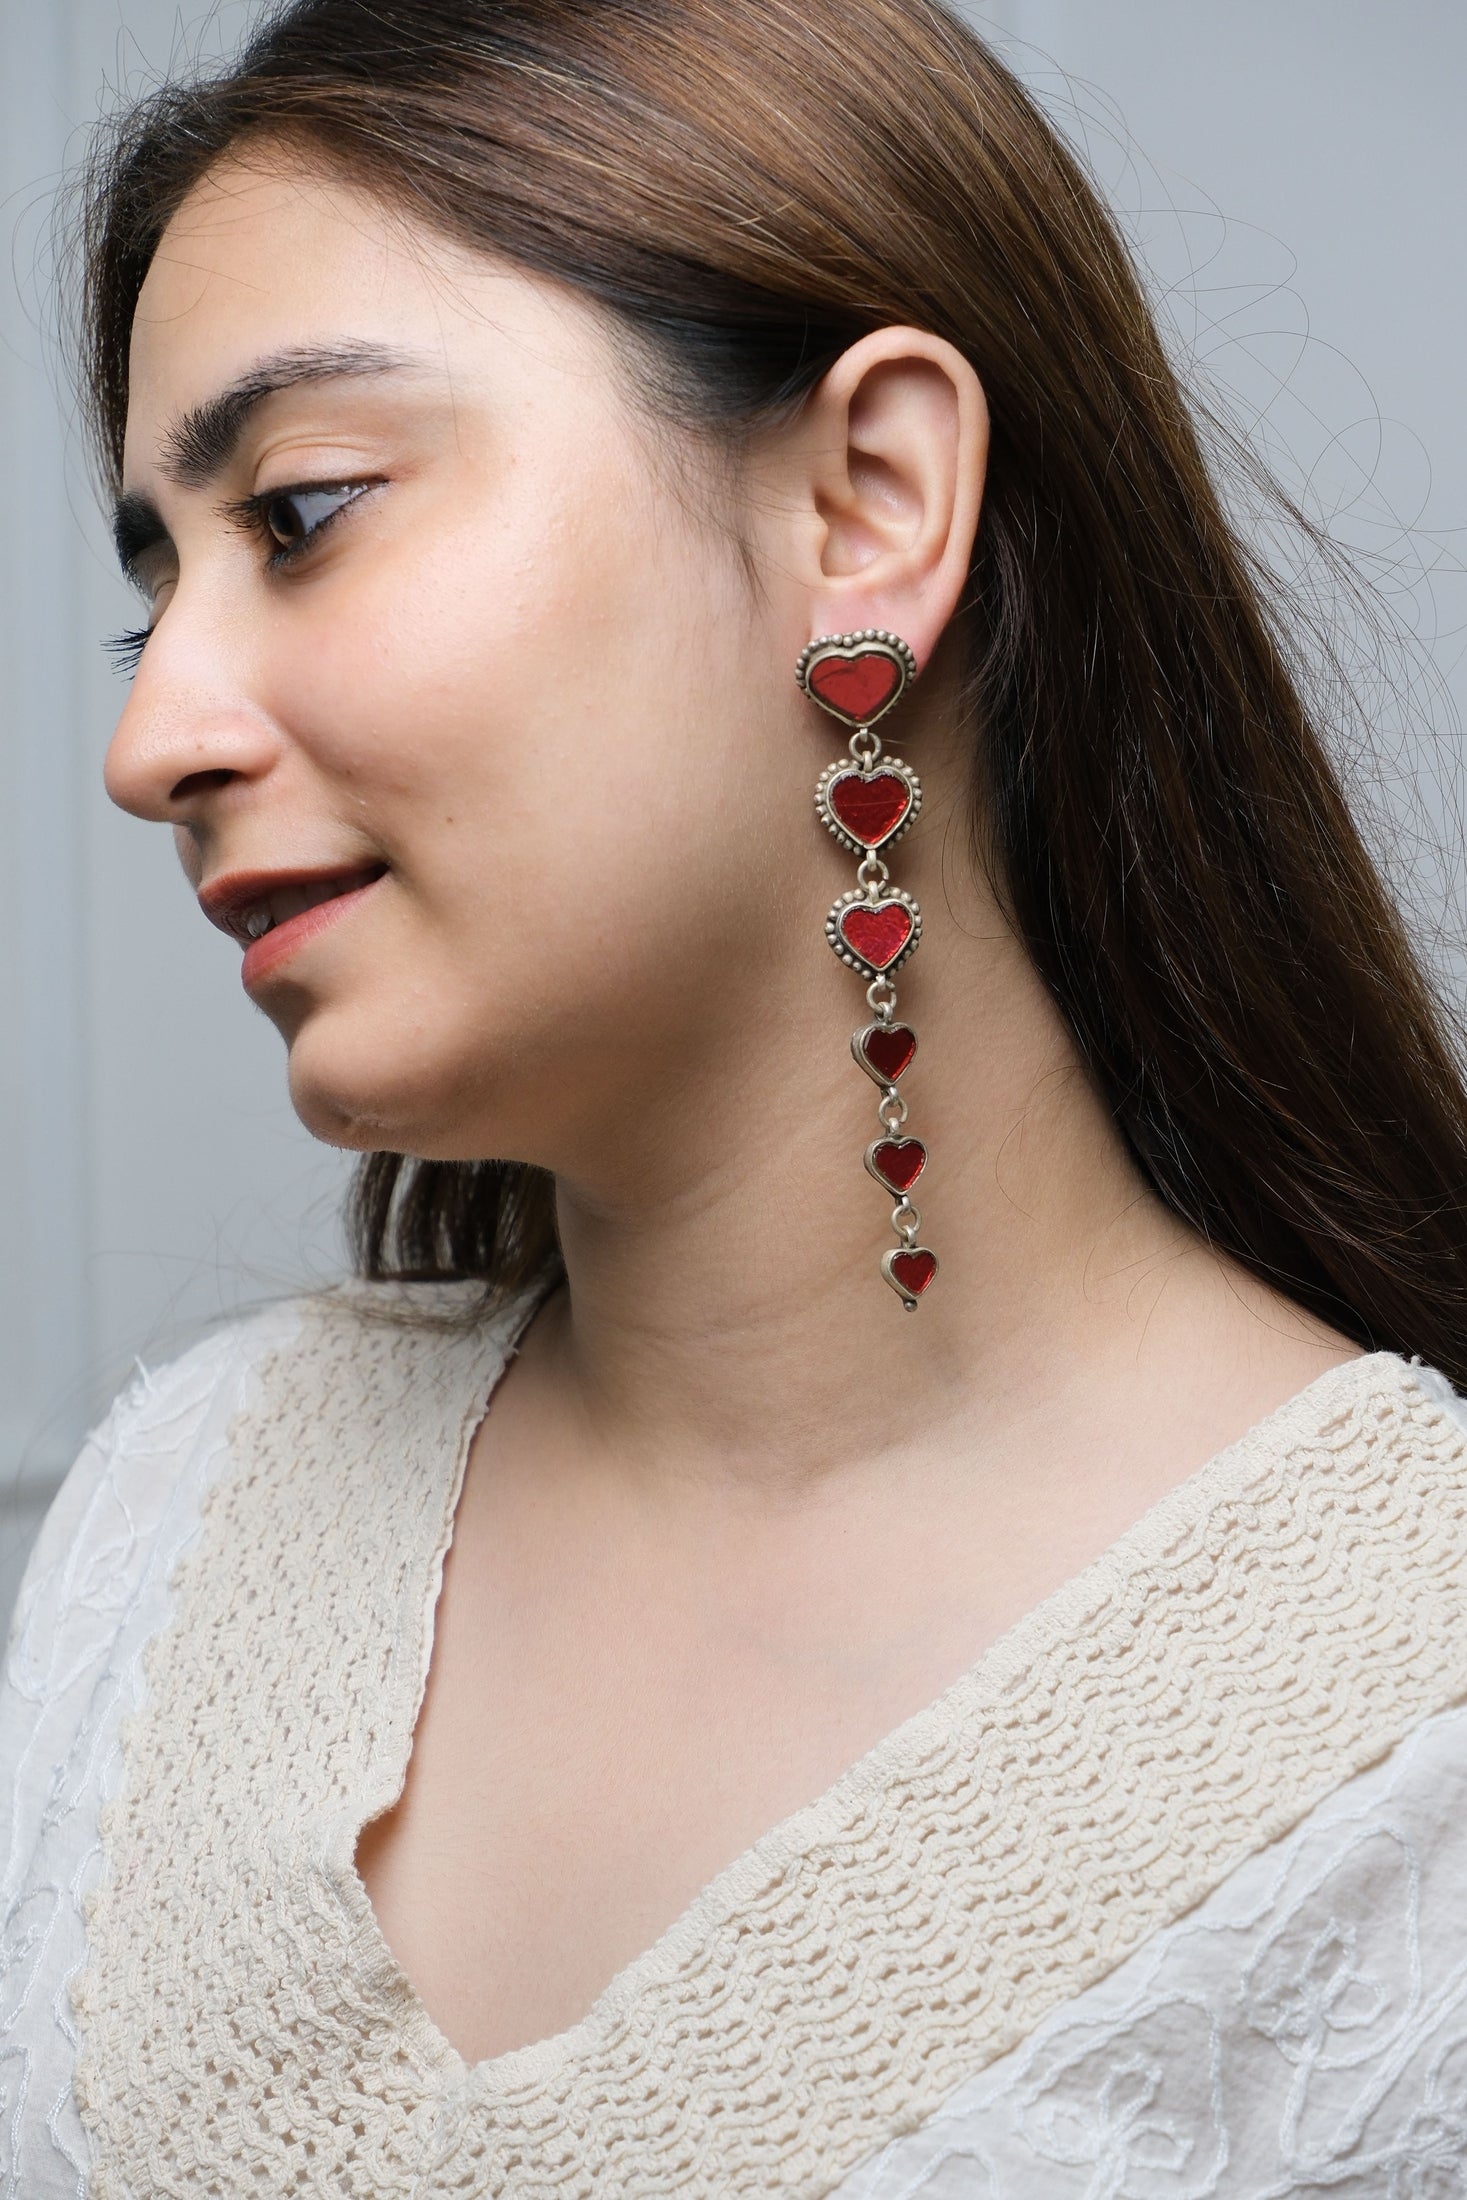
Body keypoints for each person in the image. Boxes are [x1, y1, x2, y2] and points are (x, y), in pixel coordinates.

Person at [5, 0, 1467, 2191]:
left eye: (302, 513)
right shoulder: (176, 1514)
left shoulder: (1406, 1718)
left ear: (865, 503)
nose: (157, 742)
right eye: (156, 605)